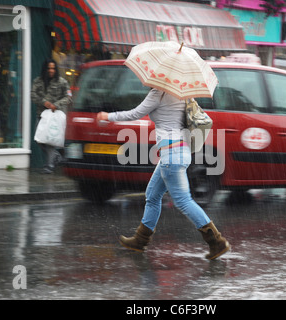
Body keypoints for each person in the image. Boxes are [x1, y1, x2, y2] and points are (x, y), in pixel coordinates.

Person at [96, 89, 230, 260]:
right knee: (152, 195)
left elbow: (135, 113)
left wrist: (108, 116)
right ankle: (140, 240)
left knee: (183, 201)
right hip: (181, 151)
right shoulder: (184, 93)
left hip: (171, 154)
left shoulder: (158, 93)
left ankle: (216, 241)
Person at [31, 59, 72, 174]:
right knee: (39, 139)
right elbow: (32, 94)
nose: (51, 70)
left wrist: (56, 105)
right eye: (49, 68)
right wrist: (45, 102)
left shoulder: (62, 82)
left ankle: (49, 166)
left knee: (50, 141)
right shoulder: (38, 81)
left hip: (54, 117)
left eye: (53, 68)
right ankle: (57, 157)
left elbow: (68, 97)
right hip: (41, 115)